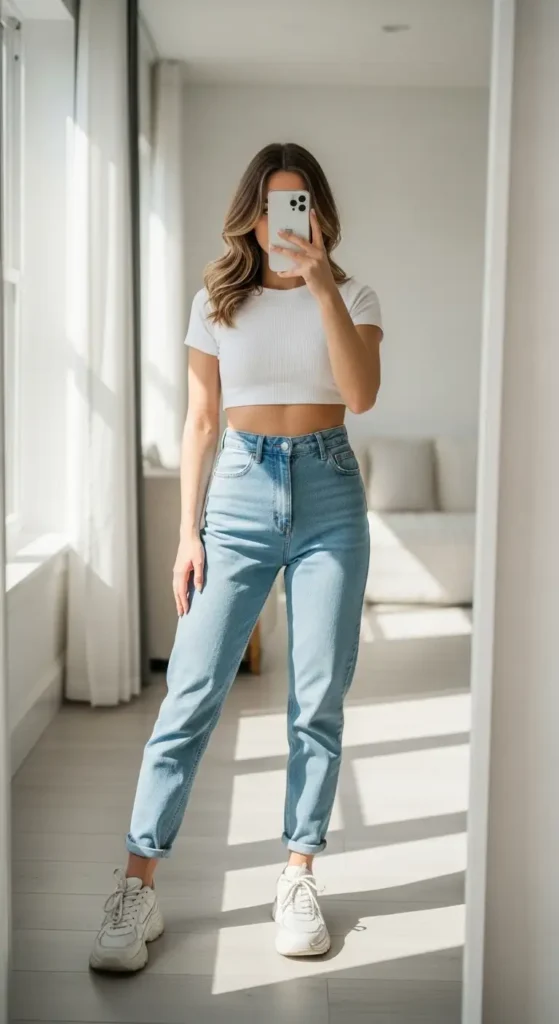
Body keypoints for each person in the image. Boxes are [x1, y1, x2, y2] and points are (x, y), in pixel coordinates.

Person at [90, 142, 383, 972]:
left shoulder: (353, 292)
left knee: (317, 699)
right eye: (269, 204)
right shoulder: (216, 301)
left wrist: (320, 280)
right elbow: (201, 421)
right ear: (250, 214)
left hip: (330, 493)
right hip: (239, 495)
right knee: (189, 695)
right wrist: (187, 533)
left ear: (317, 214)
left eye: (298, 204)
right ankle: (137, 885)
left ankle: (297, 874)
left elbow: (357, 395)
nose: (281, 219)